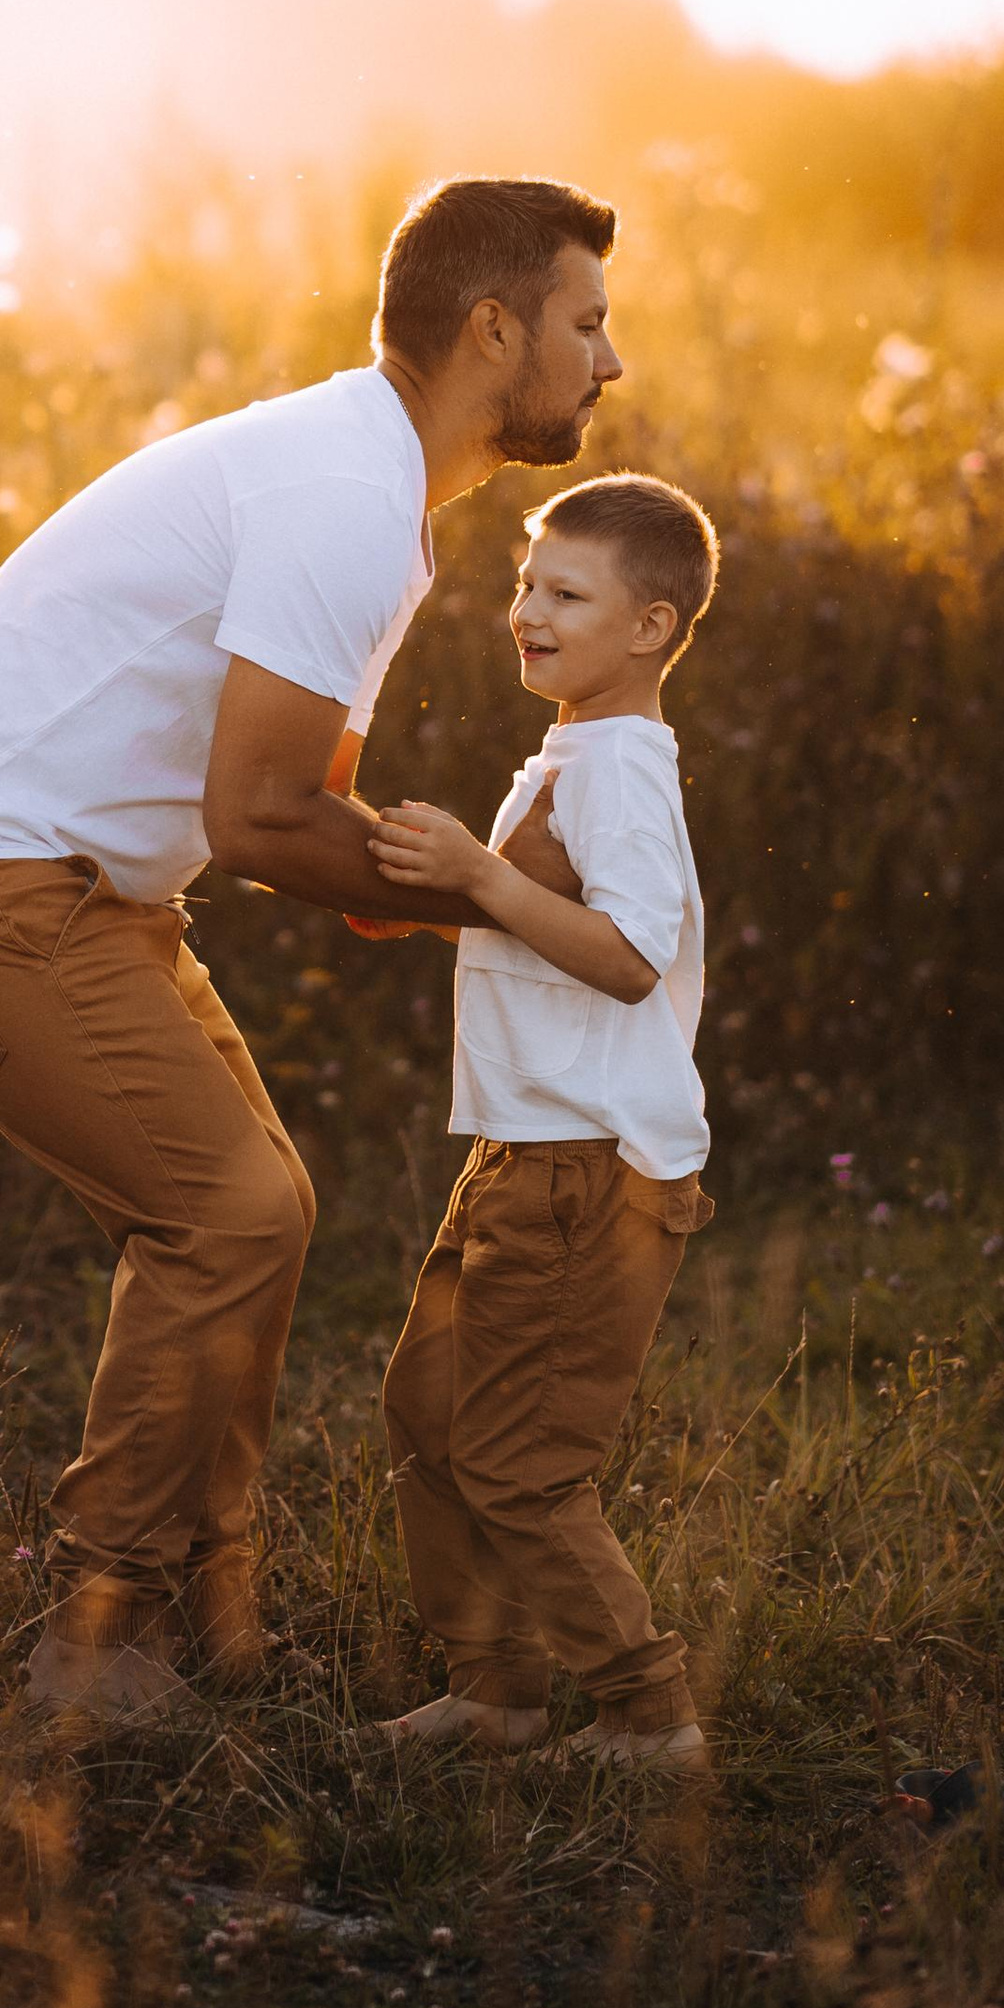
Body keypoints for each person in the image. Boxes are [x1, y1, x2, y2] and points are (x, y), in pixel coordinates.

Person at [0, 175, 624, 1724]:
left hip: (80, 886)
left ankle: (209, 1613)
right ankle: (94, 1641)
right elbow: (258, 821)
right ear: (493, 327)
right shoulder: (342, 497)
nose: (610, 361)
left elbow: (299, 798)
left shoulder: (362, 482)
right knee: (230, 1212)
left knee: (264, 1207)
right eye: (587, 324)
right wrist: (514, 905)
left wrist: (428, 877)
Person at [367, 469, 720, 1773]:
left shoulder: (620, 764)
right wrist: (435, 889)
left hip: (590, 1169)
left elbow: (630, 952)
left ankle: (648, 1716)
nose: (527, 609)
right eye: (525, 582)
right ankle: (497, 1690)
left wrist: (473, 875)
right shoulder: (575, 744)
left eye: (567, 593)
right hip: (523, 1150)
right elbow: (541, 903)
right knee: (428, 1407)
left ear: (652, 628)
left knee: (517, 1455)